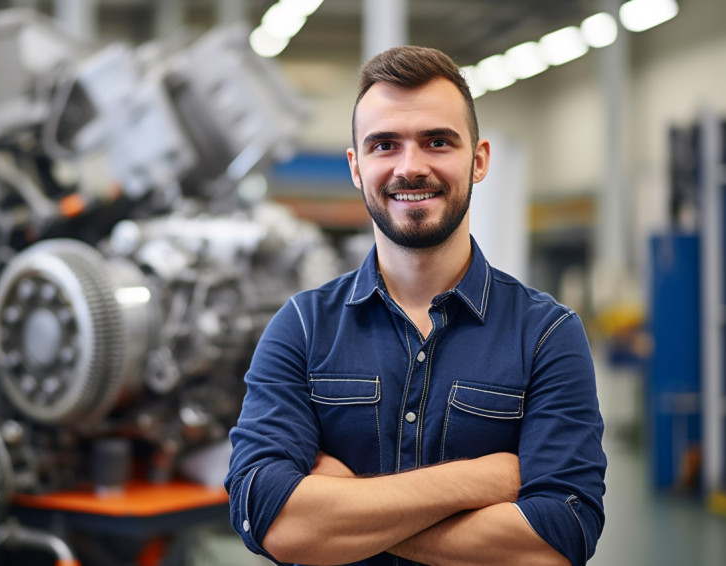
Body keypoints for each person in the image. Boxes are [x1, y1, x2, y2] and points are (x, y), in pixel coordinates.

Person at [225, 45, 606, 566]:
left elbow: (560, 537)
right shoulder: (302, 327)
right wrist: (480, 480)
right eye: (385, 145)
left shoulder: (546, 335)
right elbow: (268, 516)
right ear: (357, 168)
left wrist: (345, 503)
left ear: (478, 160)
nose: (411, 167)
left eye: (437, 141)